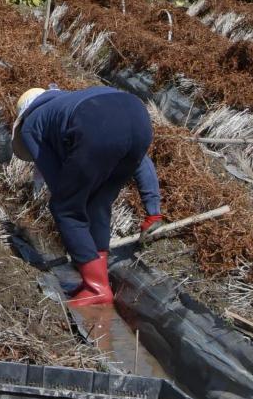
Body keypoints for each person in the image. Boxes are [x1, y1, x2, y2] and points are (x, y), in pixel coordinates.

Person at [12, 85, 165, 307]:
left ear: (23, 115)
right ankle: (96, 279)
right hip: (138, 114)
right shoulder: (69, 101)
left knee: (64, 208)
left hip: (94, 124)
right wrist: (153, 211)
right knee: (99, 203)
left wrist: (70, 211)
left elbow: (56, 180)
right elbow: (142, 161)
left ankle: (96, 288)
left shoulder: (31, 123)